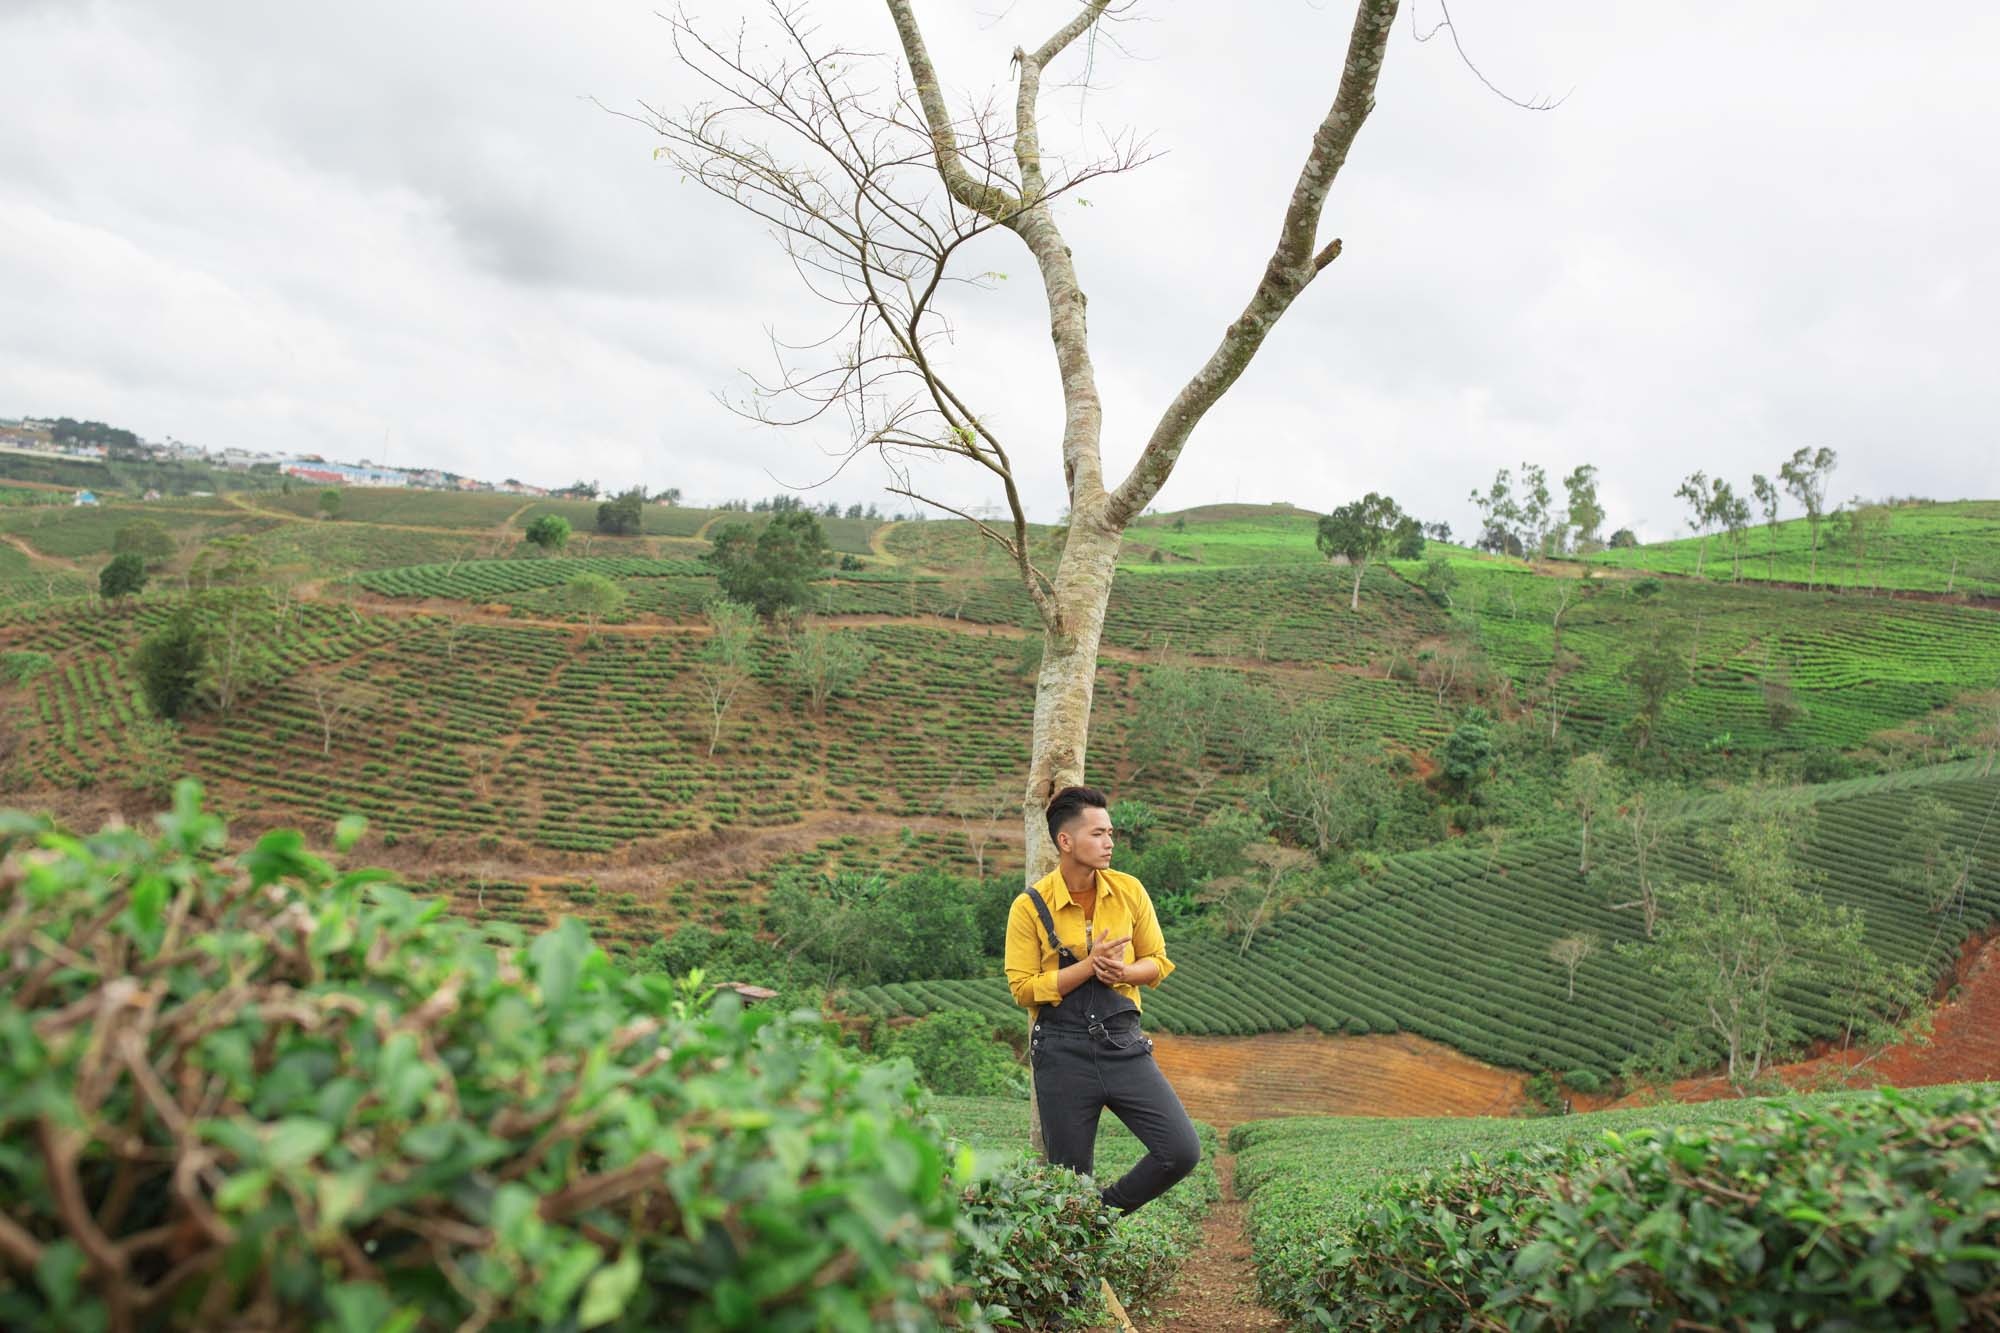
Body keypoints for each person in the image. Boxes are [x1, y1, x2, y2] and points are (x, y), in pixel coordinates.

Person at [1004, 785, 1200, 1213]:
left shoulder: (1129, 890)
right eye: (1098, 834)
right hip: (1062, 1052)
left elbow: (1158, 962)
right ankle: (1077, 1237)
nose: (1109, 842)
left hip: (1123, 1044)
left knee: (1181, 1150)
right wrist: (1088, 967)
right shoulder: (1029, 906)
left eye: (1110, 833)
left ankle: (1099, 1217)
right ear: (1065, 841)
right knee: (1069, 1184)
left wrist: (1126, 973)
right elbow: (1022, 988)